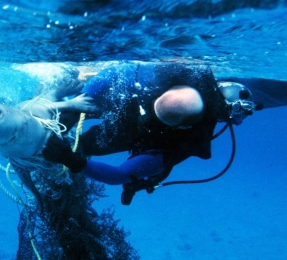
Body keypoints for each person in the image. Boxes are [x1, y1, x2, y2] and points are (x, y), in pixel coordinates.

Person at [42, 61, 262, 205]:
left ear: (182, 126)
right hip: (129, 115)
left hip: (133, 133)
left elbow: (118, 175)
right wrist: (80, 100)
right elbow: (118, 73)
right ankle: (72, 105)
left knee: (80, 145)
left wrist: (70, 158)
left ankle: (68, 125)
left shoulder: (181, 142)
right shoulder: (181, 74)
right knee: (80, 122)